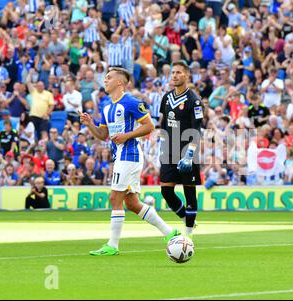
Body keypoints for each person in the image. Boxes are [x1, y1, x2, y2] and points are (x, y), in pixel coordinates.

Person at [79, 67, 180, 256]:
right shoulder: (106, 106)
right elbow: (103, 135)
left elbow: (149, 126)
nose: (105, 80)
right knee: (132, 203)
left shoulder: (131, 102)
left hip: (130, 155)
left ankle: (112, 245)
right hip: (120, 156)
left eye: (109, 78)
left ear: (120, 82)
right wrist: (89, 124)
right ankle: (169, 232)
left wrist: (127, 136)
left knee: (114, 198)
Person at [158, 61, 204, 237]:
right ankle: (187, 218)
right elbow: (163, 123)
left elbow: (196, 129)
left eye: (178, 72)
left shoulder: (194, 101)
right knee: (166, 191)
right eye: (173, 72)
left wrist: (190, 154)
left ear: (187, 76)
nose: (175, 76)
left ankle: (188, 234)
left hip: (187, 151)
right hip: (169, 150)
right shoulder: (166, 98)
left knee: (189, 190)